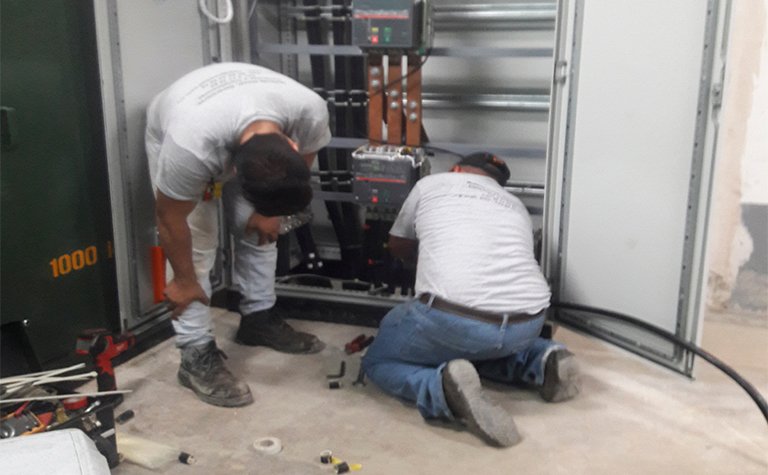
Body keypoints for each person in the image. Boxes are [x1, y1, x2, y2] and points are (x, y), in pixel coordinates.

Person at [361, 152, 580, 447]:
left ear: (456, 170)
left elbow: (398, 245)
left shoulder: (430, 184)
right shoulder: (515, 205)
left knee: (379, 357)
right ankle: (542, 361)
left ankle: (442, 390)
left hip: (452, 320)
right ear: (497, 184)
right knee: (480, 345)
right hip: (529, 323)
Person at [145, 62, 331, 407]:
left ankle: (258, 319)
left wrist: (268, 215)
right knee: (198, 245)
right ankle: (195, 354)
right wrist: (184, 280)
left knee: (258, 227)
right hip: (182, 123)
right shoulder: (191, 147)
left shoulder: (309, 112)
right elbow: (169, 218)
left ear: (291, 144)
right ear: (232, 174)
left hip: (230, 122)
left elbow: (303, 164)